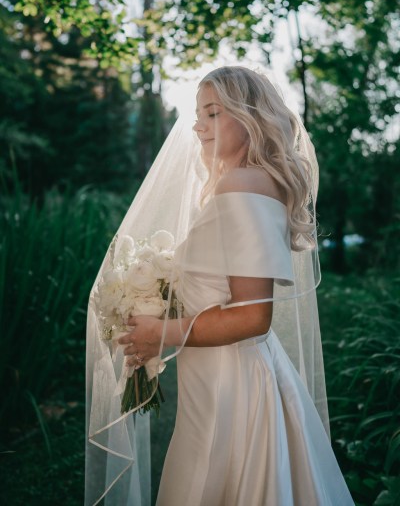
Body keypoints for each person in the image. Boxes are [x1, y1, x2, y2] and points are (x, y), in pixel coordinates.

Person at [85, 66, 354, 506]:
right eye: (198, 115)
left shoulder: (242, 185)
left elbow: (253, 316)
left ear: (251, 117)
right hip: (224, 376)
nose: (197, 126)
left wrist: (161, 333)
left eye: (212, 113)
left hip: (231, 388)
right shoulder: (250, 184)